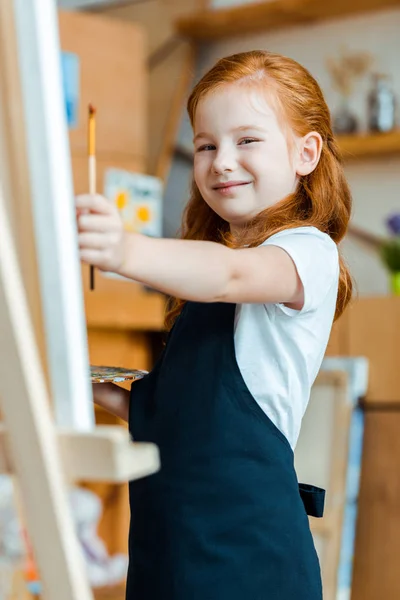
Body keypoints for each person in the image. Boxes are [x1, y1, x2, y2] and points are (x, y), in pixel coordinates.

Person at [77, 50, 352, 600]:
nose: (221, 161)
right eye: (206, 145)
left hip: (248, 556)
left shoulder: (304, 252)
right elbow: (179, 416)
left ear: (306, 153)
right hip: (168, 548)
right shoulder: (205, 274)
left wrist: (126, 249)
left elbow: (230, 275)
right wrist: (91, 388)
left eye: (246, 140)